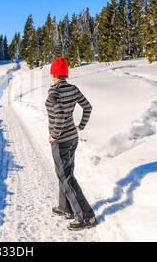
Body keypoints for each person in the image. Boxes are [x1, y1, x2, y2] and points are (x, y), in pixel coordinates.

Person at [45, 57, 97, 231]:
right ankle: (65, 208)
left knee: (66, 177)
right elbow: (87, 107)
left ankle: (86, 217)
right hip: (72, 138)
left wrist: (55, 134)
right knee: (66, 174)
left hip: (60, 141)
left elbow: (59, 113)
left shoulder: (53, 93)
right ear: (65, 74)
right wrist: (80, 126)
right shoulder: (73, 88)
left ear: (53, 74)